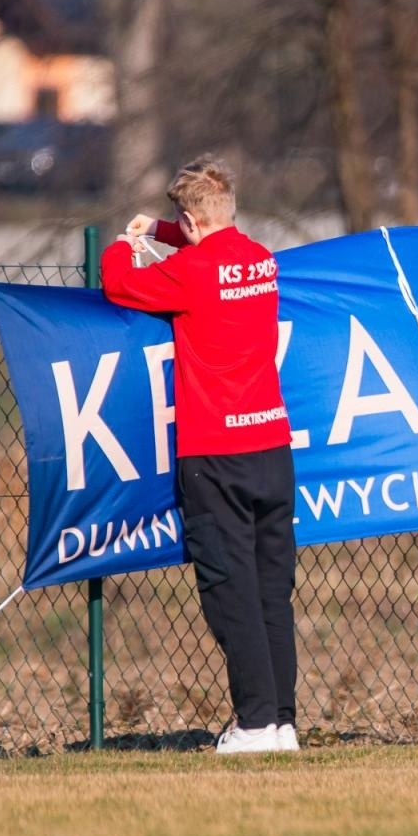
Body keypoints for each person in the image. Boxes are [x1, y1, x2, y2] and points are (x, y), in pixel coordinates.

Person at [102, 155, 299, 754]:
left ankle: (254, 723)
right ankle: (281, 722)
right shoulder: (261, 262)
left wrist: (123, 241)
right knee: (271, 590)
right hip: (272, 447)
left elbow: (118, 282)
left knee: (227, 589)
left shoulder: (190, 274)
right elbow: (204, 250)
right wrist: (163, 232)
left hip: (215, 451)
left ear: (189, 219)